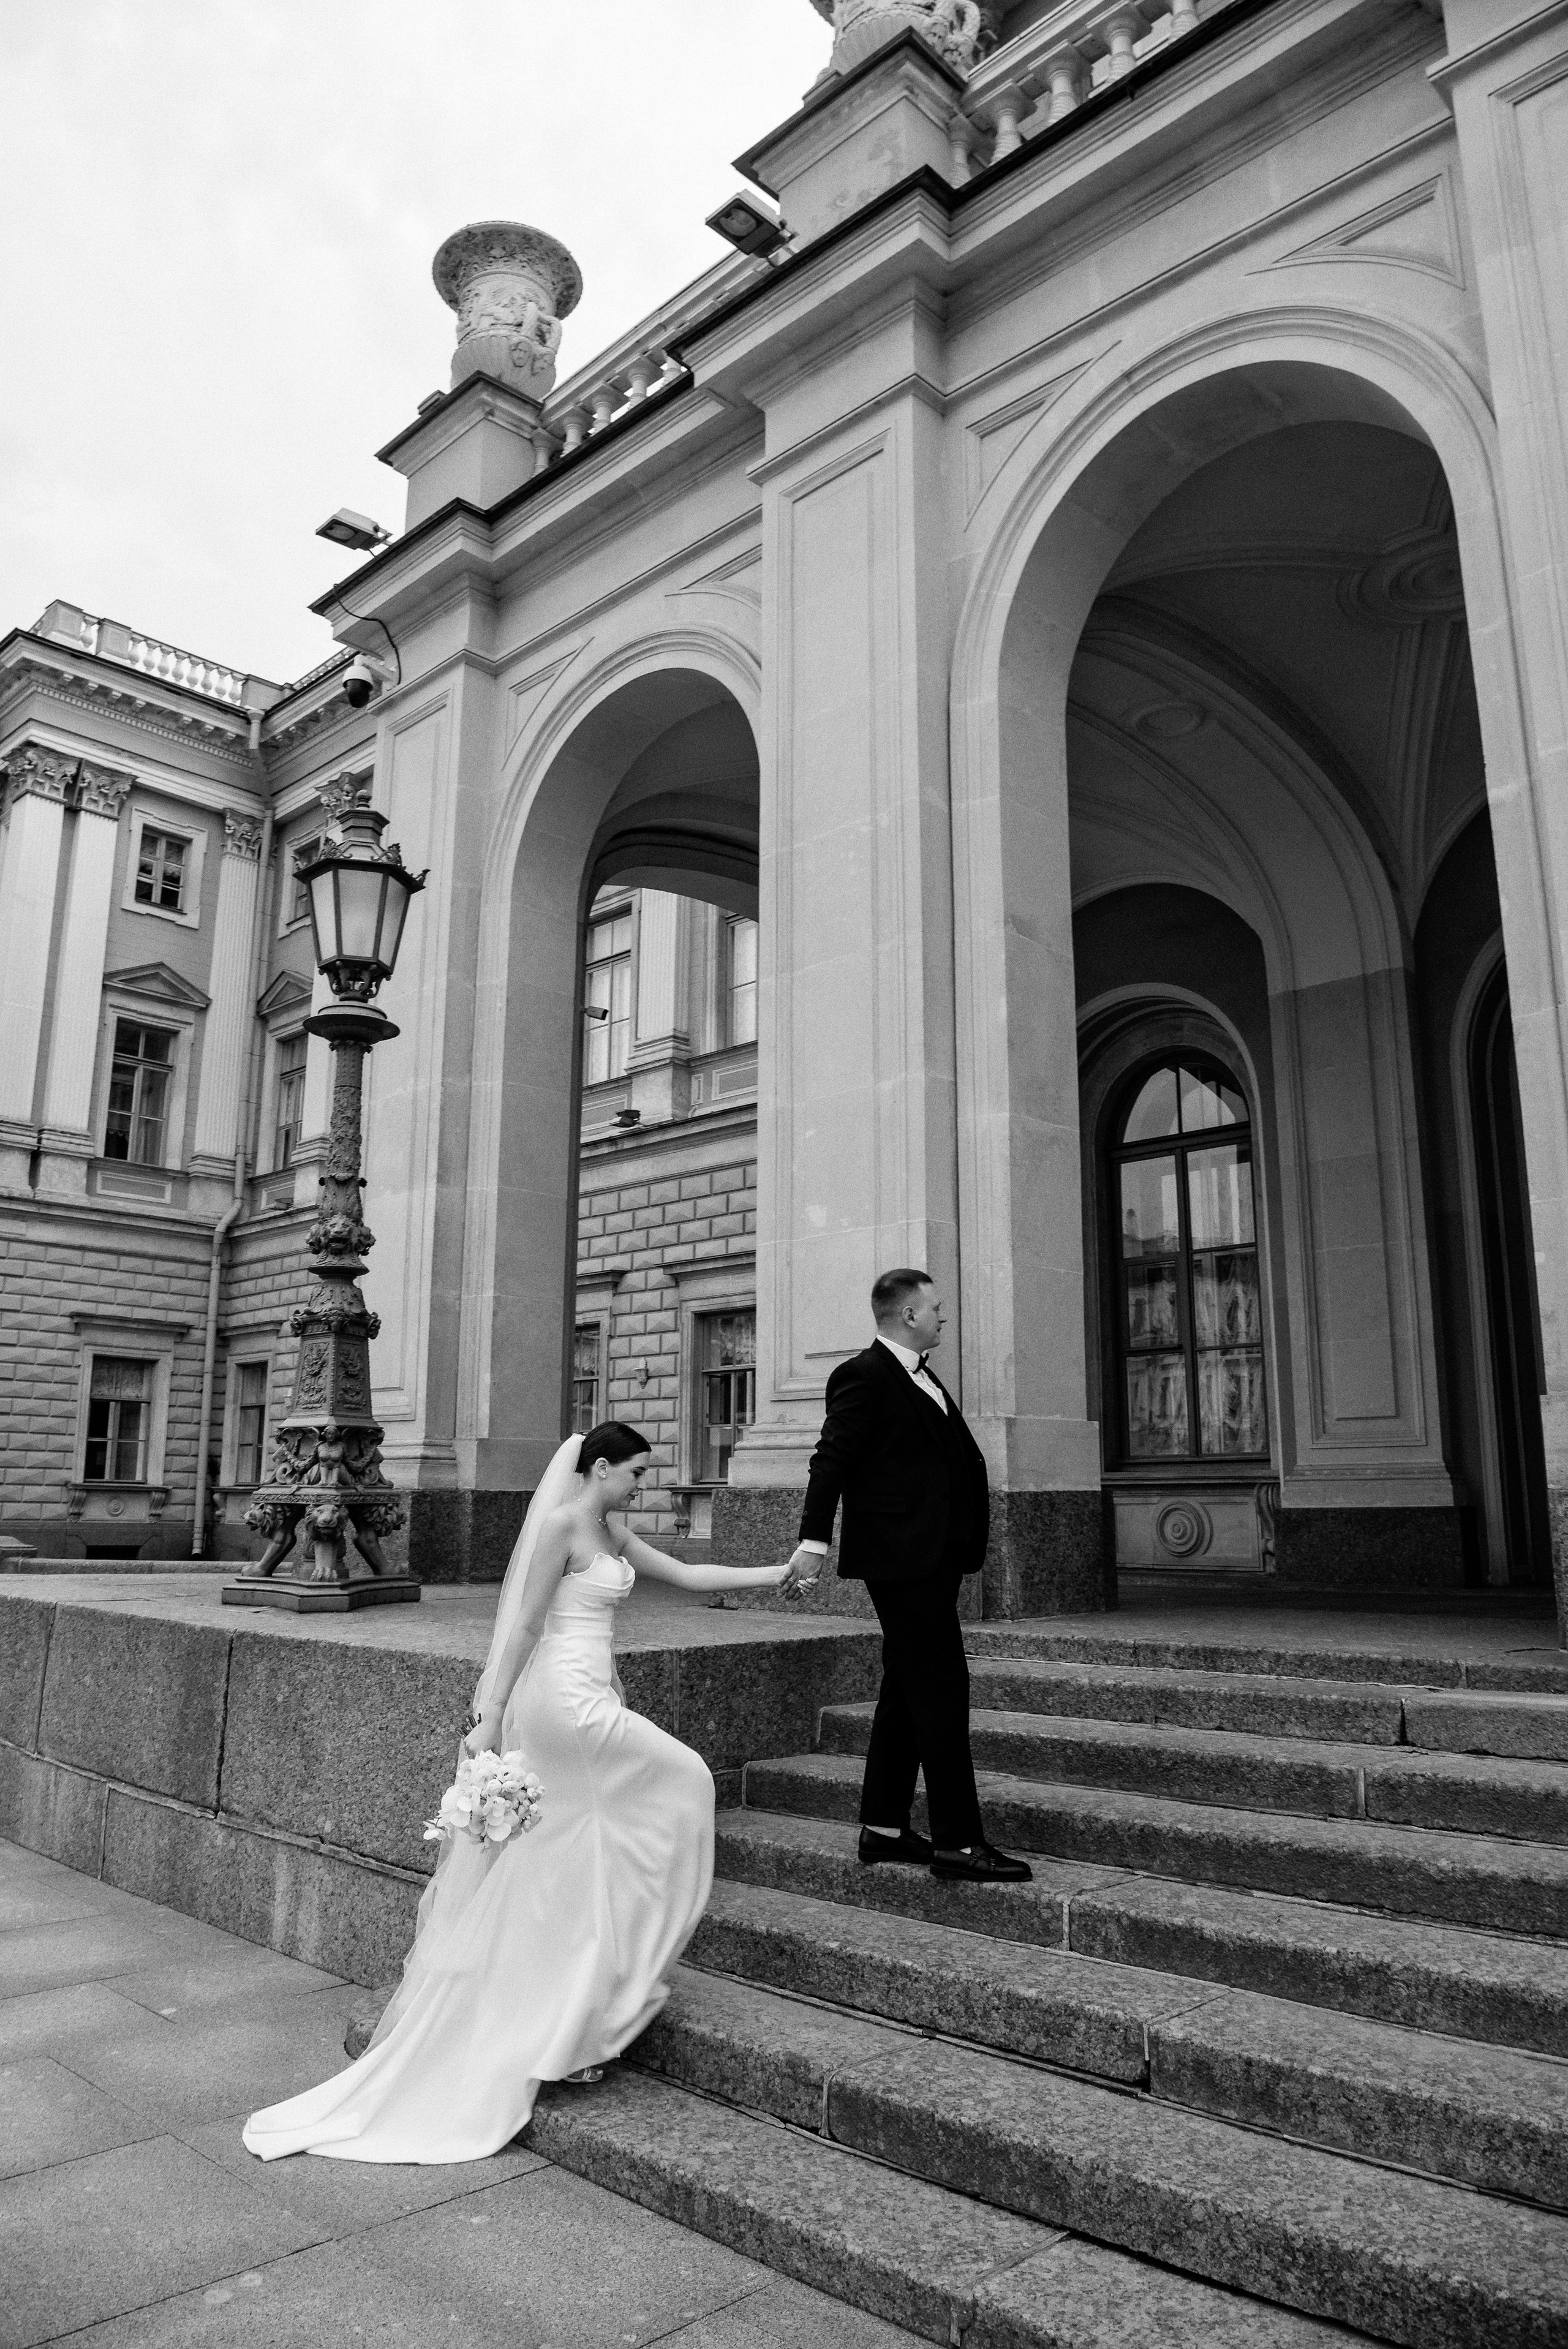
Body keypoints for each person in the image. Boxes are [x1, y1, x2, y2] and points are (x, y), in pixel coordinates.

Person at [242, 1421, 806, 2165]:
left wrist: (778, 1572)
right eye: (636, 1471)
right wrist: (490, 1715)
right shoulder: (561, 1526)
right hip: (565, 1703)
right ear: (599, 1467)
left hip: (590, 1695)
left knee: (573, 1845)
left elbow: (689, 1575)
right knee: (686, 1779)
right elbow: (524, 1626)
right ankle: (578, 2006)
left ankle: (570, 2008)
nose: (642, 1483)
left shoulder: (609, 1530)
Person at [786, 1269, 1032, 1885]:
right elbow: (831, 1458)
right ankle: (959, 1841)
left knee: (906, 1686)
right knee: (942, 1689)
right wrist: (813, 1542)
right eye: (935, 1307)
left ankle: (884, 1828)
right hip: (900, 1560)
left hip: (934, 1556)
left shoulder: (922, 1372)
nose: (943, 1316)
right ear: (908, 1315)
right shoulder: (862, 1375)